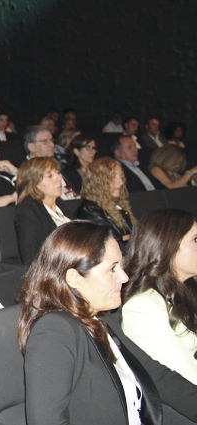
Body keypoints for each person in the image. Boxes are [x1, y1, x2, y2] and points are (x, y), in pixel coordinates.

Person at [18, 221, 162, 425]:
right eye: (112, 269)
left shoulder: (100, 317)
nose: (124, 276)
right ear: (75, 278)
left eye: (121, 266)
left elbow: (153, 371)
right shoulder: (54, 331)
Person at [122, 209, 197, 385]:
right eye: (195, 240)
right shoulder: (143, 308)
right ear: (168, 245)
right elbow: (183, 381)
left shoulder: (188, 288)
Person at [14, 157, 73, 264]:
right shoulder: (28, 210)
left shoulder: (60, 204)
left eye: (58, 173)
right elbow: (30, 257)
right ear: (34, 182)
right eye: (50, 176)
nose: (59, 178)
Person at [76, 157, 136, 252]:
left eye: (121, 176)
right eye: (113, 177)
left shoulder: (118, 205)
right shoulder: (90, 210)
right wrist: (131, 238)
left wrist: (128, 237)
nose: (120, 182)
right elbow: (110, 246)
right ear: (99, 181)